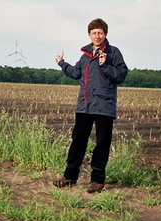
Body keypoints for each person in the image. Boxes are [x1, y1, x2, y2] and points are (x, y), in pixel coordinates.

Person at [53, 18, 128, 193]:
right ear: (89, 35)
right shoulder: (85, 54)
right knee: (78, 141)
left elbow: (121, 75)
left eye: (100, 32)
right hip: (84, 105)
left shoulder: (113, 53)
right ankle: (70, 176)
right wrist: (61, 63)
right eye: (94, 33)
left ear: (106, 34)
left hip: (104, 106)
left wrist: (106, 65)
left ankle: (97, 180)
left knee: (102, 143)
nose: (97, 35)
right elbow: (75, 72)